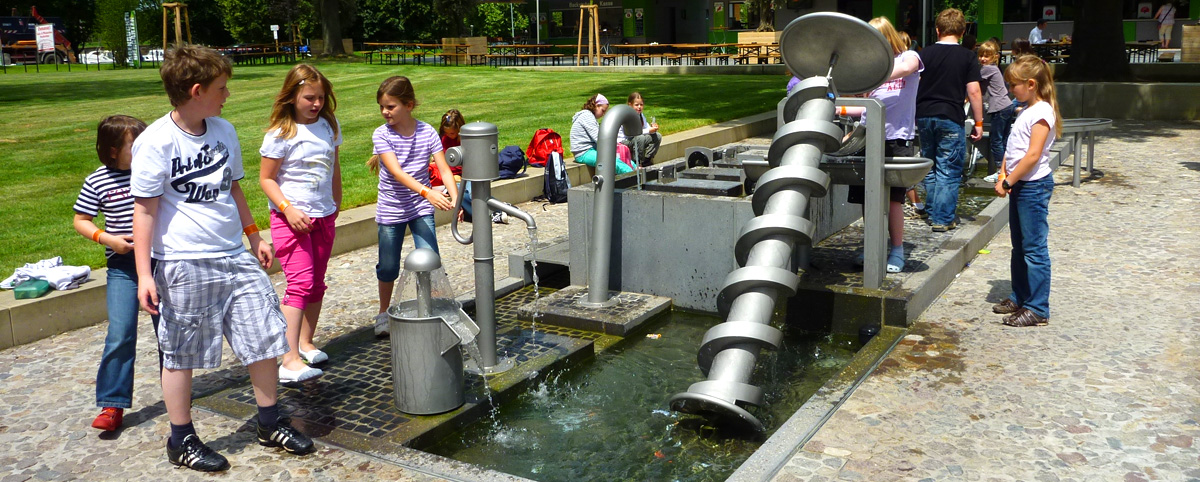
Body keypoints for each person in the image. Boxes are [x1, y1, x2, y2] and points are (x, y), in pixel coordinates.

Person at [131, 45, 314, 472]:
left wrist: (254, 234)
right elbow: (145, 210)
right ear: (196, 91)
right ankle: (182, 439)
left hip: (233, 253)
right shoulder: (155, 142)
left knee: (263, 335)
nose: (227, 94)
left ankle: (269, 421)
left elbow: (232, 188)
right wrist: (144, 274)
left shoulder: (223, 130)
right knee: (182, 351)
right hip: (183, 261)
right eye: (221, 88)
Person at [74, 114, 160, 433]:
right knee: (120, 333)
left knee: (168, 330)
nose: (144, 149)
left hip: (158, 263)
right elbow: (81, 219)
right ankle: (112, 403)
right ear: (113, 150)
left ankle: (178, 390)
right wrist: (107, 238)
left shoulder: (151, 173)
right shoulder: (97, 180)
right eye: (135, 145)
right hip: (123, 268)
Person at [258, 64, 342, 383]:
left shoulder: (329, 127)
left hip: (323, 215)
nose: (316, 104)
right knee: (301, 282)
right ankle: (288, 358)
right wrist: (288, 209)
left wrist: (335, 205)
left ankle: (305, 343)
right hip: (289, 219)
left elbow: (334, 170)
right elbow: (266, 179)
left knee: (317, 282)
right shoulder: (281, 133)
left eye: (321, 97)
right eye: (309, 97)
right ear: (292, 96)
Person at [367, 76, 458, 336]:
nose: (385, 112)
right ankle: (384, 313)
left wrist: (453, 197)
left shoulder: (427, 131)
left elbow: (444, 167)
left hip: (420, 207)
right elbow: (396, 172)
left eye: (390, 106)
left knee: (430, 260)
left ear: (408, 104)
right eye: (382, 107)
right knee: (388, 266)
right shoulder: (382, 134)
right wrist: (427, 192)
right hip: (392, 208)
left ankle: (428, 308)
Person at [840, 17, 923, 273]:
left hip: (896, 139)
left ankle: (897, 250)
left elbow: (905, 69)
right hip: (868, 137)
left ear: (886, 37)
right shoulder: (872, 68)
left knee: (894, 200)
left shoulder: (909, 58)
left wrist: (868, 73)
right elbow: (862, 108)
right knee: (868, 197)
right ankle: (873, 243)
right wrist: (836, 105)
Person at [991, 54, 1061, 328]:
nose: (1010, 90)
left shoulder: (1043, 111)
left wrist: (1008, 182)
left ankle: (1038, 307)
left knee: (1034, 248)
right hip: (1020, 183)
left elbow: (1032, 155)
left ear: (1031, 84)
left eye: (1014, 85)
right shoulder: (1026, 110)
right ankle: (1020, 295)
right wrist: (1003, 171)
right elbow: (1014, 148)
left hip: (1033, 185)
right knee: (1018, 245)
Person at [915, 8, 984, 232]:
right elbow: (973, 91)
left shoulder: (924, 54)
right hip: (950, 115)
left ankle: (934, 212)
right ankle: (943, 218)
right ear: (963, 32)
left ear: (937, 30)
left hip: (924, 115)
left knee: (930, 165)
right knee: (949, 168)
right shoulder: (967, 56)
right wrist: (979, 122)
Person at [978, 41, 1015, 183]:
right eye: (981, 55)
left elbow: (973, 81)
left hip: (999, 108)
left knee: (996, 140)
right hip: (1007, 106)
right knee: (1005, 140)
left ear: (995, 57)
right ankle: (1008, 168)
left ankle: (1000, 171)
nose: (983, 59)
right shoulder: (994, 69)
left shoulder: (987, 69)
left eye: (987, 56)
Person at [570, 94, 634, 174]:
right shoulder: (586, 116)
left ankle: (635, 169)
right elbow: (599, 138)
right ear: (596, 106)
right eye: (603, 111)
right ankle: (632, 177)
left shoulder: (590, 117)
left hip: (593, 149)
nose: (603, 114)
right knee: (613, 162)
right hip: (584, 152)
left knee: (625, 159)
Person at [618, 92, 662, 167]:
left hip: (635, 138)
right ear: (630, 105)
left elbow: (646, 127)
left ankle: (647, 159)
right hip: (624, 141)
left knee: (657, 136)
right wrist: (648, 131)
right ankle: (637, 163)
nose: (639, 107)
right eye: (636, 105)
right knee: (640, 138)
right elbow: (632, 133)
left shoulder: (640, 115)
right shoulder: (627, 116)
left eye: (641, 105)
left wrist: (653, 129)